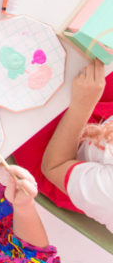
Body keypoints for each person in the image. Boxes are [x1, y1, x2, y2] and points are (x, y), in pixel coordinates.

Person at [15, 60, 113, 232]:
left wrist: (82, 104)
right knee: (98, 56)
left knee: (23, 92)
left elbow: (54, 166)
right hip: (102, 122)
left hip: (59, 157)